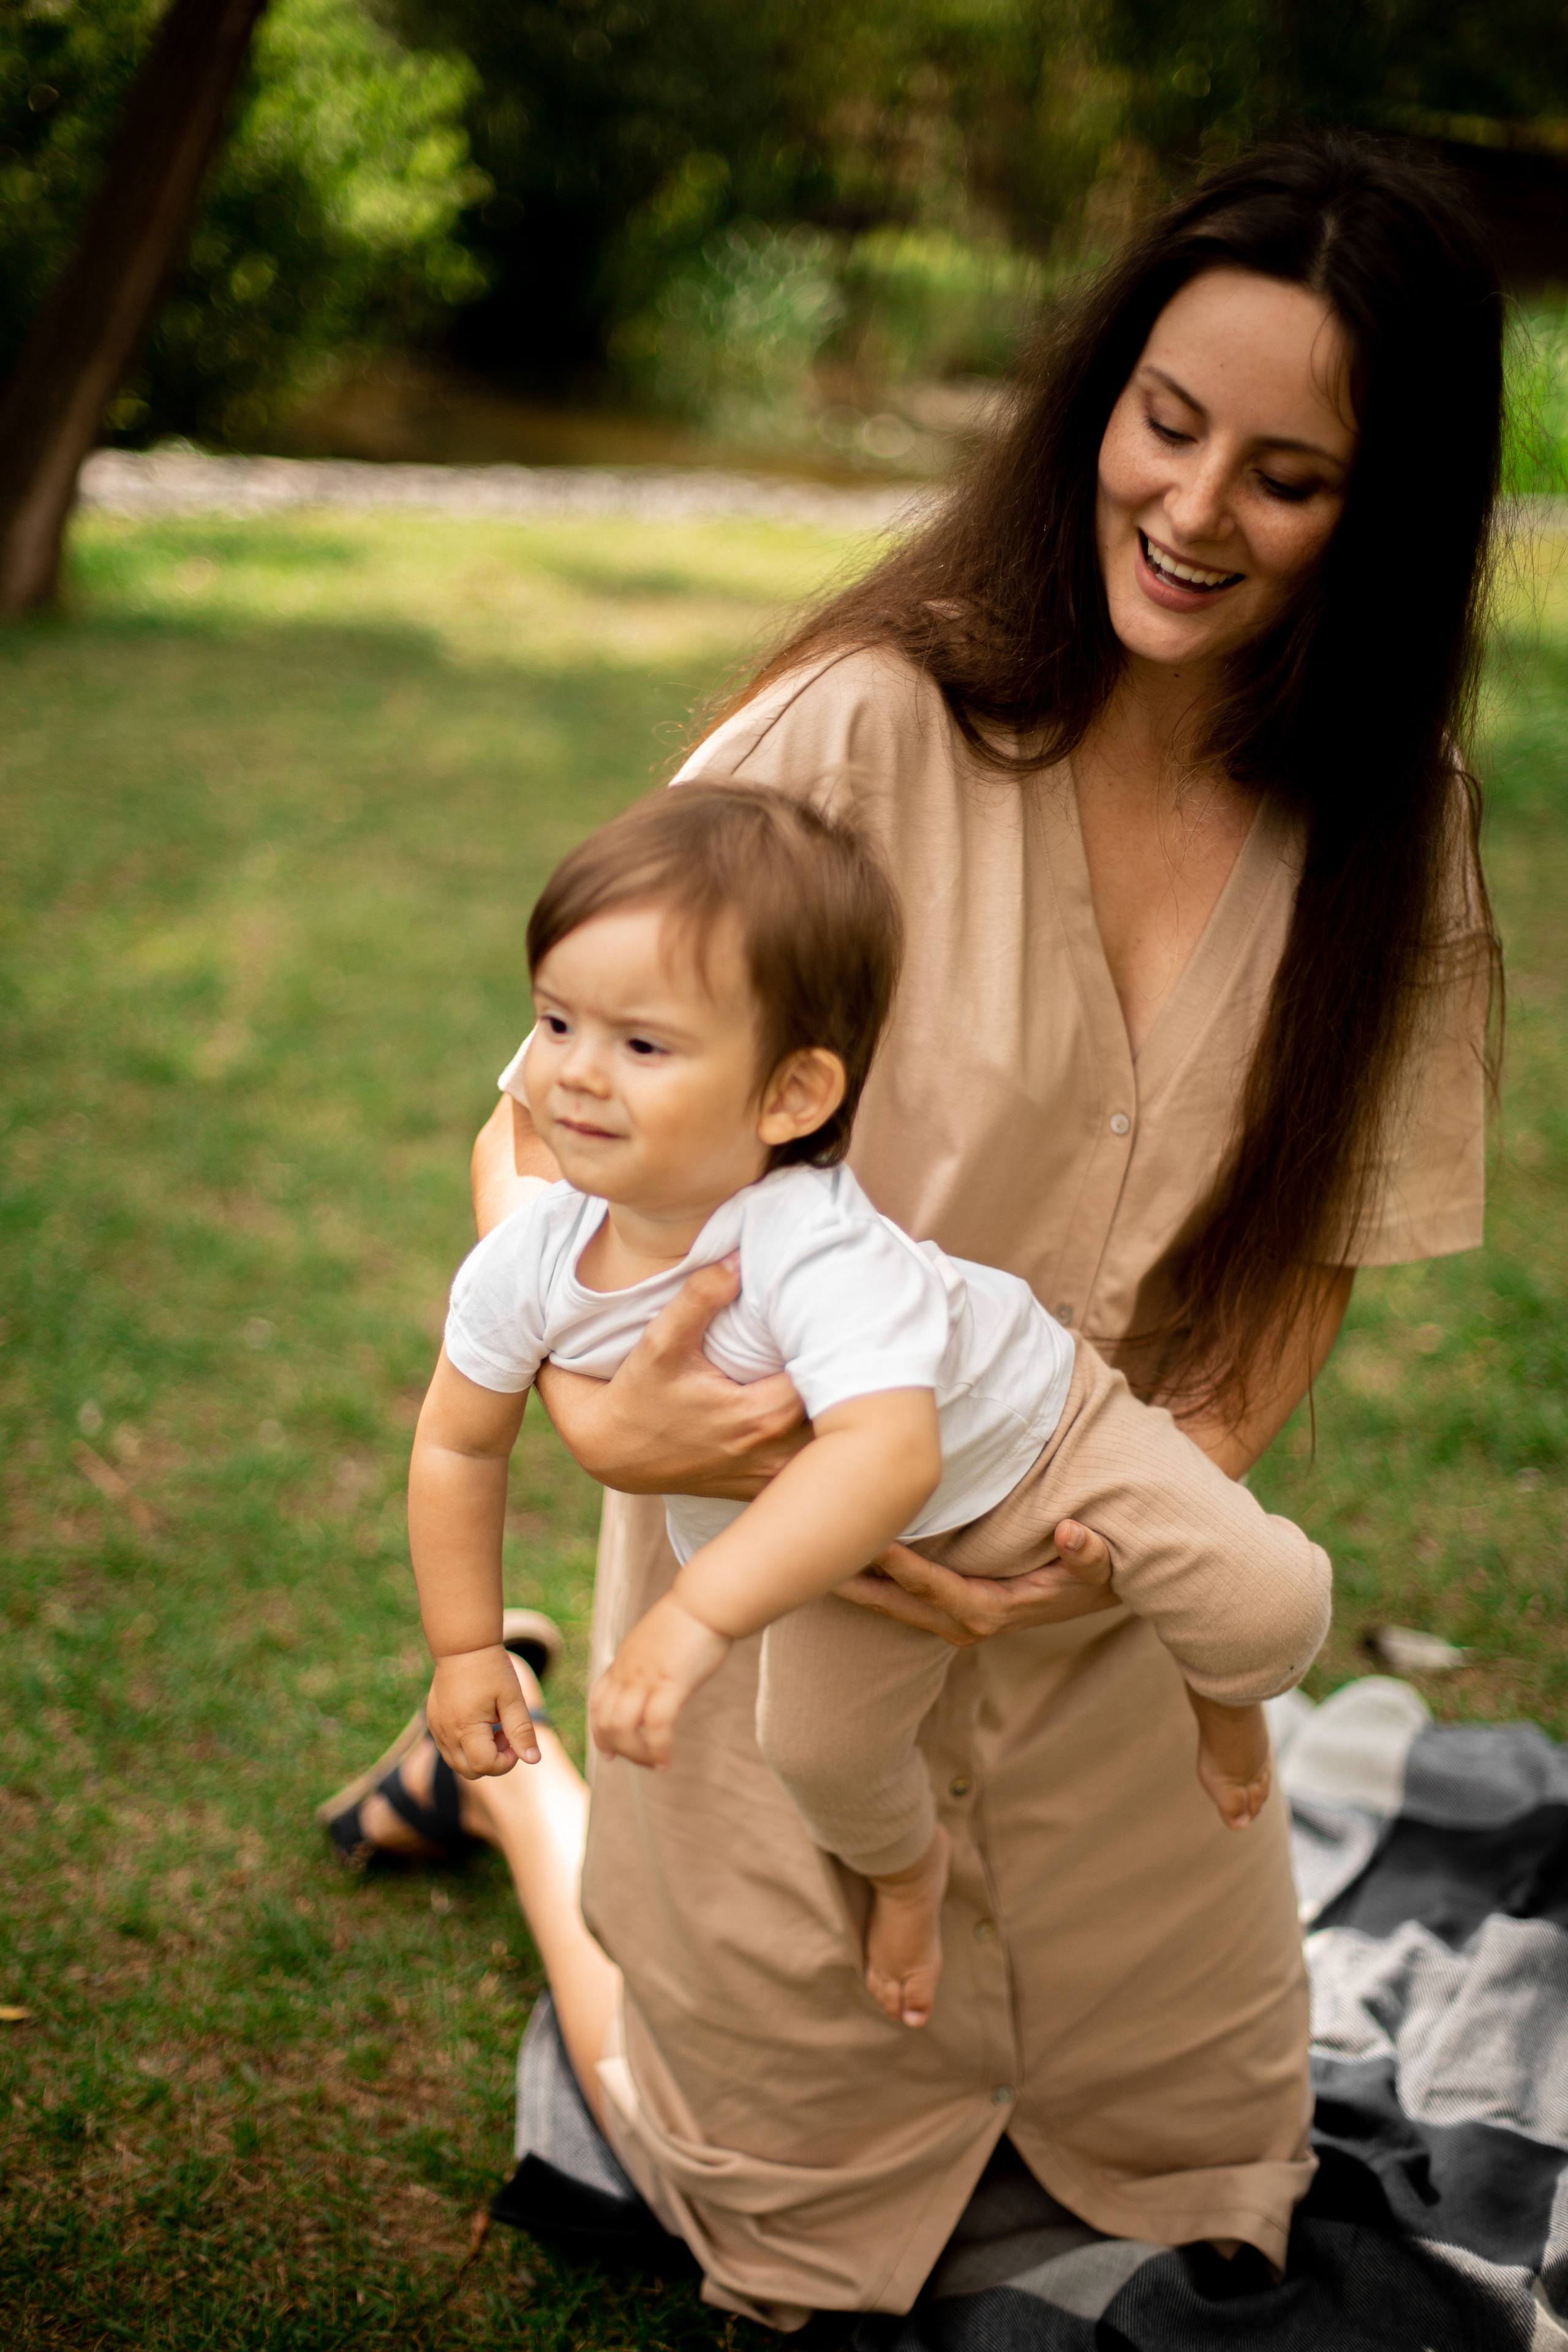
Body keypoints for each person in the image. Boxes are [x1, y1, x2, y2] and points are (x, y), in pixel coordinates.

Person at [326, 135, 1502, 2323]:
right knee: (770, 2225)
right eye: (1166, 423)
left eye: (1288, 474)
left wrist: (1139, 1527)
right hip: (780, 1613)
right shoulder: (871, 727)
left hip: (1100, 1587)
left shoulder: (1390, 828)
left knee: (1209, 2175)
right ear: (1097, 403)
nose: (1191, 508)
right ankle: (516, 1797)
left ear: (1389, 508)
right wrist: (646, 1420)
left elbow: (1305, 1256)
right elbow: (544, 1130)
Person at [409, 783, 1332, 2034]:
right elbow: (459, 1442)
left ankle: (1225, 1706)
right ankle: (907, 1878)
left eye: (640, 1046)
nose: (571, 1073)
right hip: (856, 1555)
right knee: (823, 1761)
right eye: (556, 1020)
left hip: (1038, 1438)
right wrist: (464, 1647)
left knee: (1268, 1598)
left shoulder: (803, 1243)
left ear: (789, 1097)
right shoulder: (529, 1258)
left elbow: (885, 1455)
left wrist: (692, 1621)